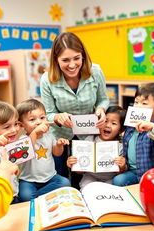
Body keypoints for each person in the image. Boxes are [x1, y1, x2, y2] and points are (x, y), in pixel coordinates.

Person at [40, 32, 110, 188]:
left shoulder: (95, 71)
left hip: (89, 134)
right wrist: (58, 117)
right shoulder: (47, 80)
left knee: (87, 177)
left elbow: (103, 99)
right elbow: (48, 114)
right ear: (56, 60)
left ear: (83, 56)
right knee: (62, 177)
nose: (72, 65)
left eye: (76, 58)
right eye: (65, 60)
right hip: (61, 138)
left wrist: (101, 109)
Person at [112, 83, 154, 186]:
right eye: (136, 102)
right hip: (132, 172)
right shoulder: (130, 127)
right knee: (118, 180)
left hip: (150, 174)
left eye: (144, 103)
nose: (138, 106)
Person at [16, 99, 71, 201]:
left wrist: (59, 145)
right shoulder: (23, 140)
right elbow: (27, 152)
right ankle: (42, 197)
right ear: (21, 125)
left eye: (42, 118)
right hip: (28, 180)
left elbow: (57, 153)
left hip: (50, 178)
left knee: (65, 183)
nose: (39, 122)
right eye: (32, 120)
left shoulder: (49, 135)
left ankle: (36, 198)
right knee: (25, 195)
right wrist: (34, 133)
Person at [67, 106, 127, 190]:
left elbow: (119, 172)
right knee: (87, 190)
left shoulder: (120, 146)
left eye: (113, 123)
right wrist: (73, 164)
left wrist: (122, 167)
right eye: (105, 121)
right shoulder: (89, 140)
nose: (108, 125)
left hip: (110, 179)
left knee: (109, 191)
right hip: (90, 177)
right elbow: (80, 171)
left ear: (121, 129)